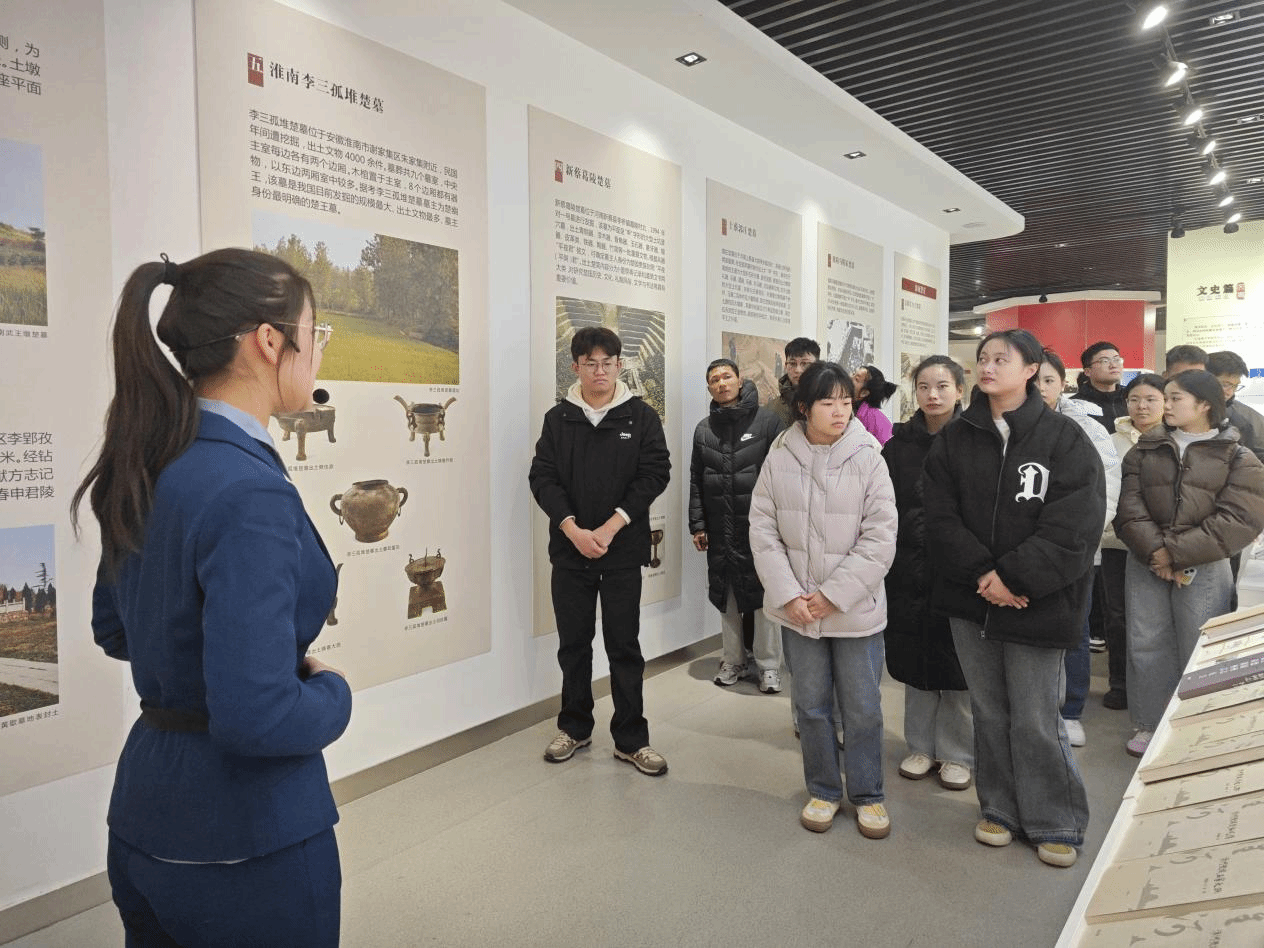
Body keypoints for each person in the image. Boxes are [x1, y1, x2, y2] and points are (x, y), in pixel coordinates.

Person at [71, 249, 352, 947]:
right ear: (270, 341)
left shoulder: (149, 458)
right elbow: (258, 717)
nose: (318, 351)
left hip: (145, 814)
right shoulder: (250, 490)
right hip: (246, 837)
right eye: (315, 333)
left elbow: (116, 629)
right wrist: (334, 694)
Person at [923, 328, 1103, 868]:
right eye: (983, 357)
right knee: (989, 711)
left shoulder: (1064, 439)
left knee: (1035, 715)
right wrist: (984, 573)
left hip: (1038, 602)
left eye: (1002, 358)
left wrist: (1015, 578)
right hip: (971, 597)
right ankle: (999, 808)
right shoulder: (955, 438)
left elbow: (1075, 525)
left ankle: (1055, 820)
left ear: (1030, 369)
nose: (988, 366)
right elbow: (939, 516)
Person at [749, 361, 897, 839]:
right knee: (810, 707)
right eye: (828, 402)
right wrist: (789, 595)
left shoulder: (869, 456)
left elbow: (880, 538)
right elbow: (762, 530)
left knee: (863, 707)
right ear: (803, 407)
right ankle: (824, 789)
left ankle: (869, 794)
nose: (839, 411)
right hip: (798, 611)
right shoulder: (779, 456)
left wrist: (833, 596)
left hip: (854, 611)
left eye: (846, 402)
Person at [529, 326, 671, 776]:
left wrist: (611, 527)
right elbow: (542, 477)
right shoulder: (559, 418)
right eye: (590, 363)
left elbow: (655, 473)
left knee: (624, 646)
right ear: (575, 367)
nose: (599, 371)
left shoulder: (640, 416)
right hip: (570, 552)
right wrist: (572, 529)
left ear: (619, 365)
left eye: (607, 362)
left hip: (622, 551)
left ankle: (631, 739)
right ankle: (574, 727)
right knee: (574, 646)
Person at [1113, 369, 1264, 759]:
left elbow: (1238, 519)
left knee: (1200, 645)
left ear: (1204, 404)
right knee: (1145, 643)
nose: (1166, 404)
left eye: (1175, 397)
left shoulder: (1238, 455)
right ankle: (1149, 723)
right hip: (1145, 559)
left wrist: (1177, 553)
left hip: (1206, 564)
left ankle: (1196, 725)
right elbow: (1129, 507)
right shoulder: (1145, 449)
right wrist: (1158, 553)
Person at [882, 355, 973, 791]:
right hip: (907, 566)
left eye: (942, 386)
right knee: (914, 654)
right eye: (923, 387)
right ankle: (919, 745)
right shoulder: (898, 445)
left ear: (960, 390)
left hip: (959, 569)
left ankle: (957, 752)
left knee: (957, 662)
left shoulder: (978, 440)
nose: (932, 395)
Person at [1036, 349, 1120, 748]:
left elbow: (1107, 487)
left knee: (1074, 628)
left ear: (1063, 384)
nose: (1040, 389)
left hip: (1075, 550)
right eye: (1033, 381)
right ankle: (1035, 707)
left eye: (1048, 380)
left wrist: (1079, 538)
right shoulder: (1005, 424)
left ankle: (1070, 709)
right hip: (1022, 553)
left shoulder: (1087, 426)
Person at [689, 359, 785, 692]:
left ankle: (769, 666)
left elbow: (782, 476)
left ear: (740, 380)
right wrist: (697, 524)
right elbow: (696, 479)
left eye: (726, 376)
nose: (721, 383)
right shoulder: (704, 429)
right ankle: (733, 660)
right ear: (709, 388)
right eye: (714, 380)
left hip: (760, 528)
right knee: (726, 597)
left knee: (764, 598)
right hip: (720, 528)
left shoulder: (768, 422)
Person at [1100, 373, 1169, 710]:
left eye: (1151, 399)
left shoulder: (1174, 439)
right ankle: (1121, 684)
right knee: (1118, 617)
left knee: (1156, 620)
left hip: (1160, 548)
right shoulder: (1110, 441)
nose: (1142, 406)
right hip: (1117, 545)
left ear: (1165, 402)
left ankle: (1157, 688)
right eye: (1134, 400)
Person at [1206, 350, 1264, 463]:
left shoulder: (1248, 420)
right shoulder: (1177, 409)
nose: (1229, 392)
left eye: (1235, 386)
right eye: (1225, 385)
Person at [1071, 341, 1127, 433]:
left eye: (1116, 359)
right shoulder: (1075, 405)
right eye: (1105, 361)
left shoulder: (1130, 398)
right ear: (1088, 371)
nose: (1113, 365)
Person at [769, 337, 819, 426]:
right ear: (785, 366)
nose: (798, 370)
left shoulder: (830, 403)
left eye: (805, 364)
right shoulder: (771, 409)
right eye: (792, 363)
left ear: (818, 366)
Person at [851, 364, 897, 445]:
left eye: (856, 379)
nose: (850, 377)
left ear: (864, 393)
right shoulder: (854, 410)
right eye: (853, 373)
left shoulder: (871, 418)